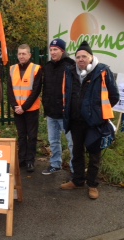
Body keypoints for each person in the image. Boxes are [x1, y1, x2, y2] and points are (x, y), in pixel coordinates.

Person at [61, 41, 119, 199]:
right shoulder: (70, 71)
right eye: (78, 56)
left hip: (95, 123)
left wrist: (99, 113)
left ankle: (92, 185)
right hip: (75, 121)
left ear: (91, 57)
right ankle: (78, 181)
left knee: (94, 154)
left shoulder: (102, 71)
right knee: (77, 152)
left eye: (84, 56)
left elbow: (114, 96)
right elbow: (67, 94)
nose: (80, 59)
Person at [42, 39, 75, 175]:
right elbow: (45, 87)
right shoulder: (48, 66)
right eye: (51, 50)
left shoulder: (71, 65)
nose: (52, 52)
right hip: (51, 112)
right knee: (53, 141)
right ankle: (56, 164)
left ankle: (75, 168)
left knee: (72, 143)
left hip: (66, 113)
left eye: (55, 49)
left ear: (62, 50)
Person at [7, 44, 42, 172]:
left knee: (31, 136)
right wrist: (15, 106)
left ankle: (30, 161)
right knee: (21, 135)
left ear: (29, 55)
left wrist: (24, 107)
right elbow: (10, 90)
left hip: (31, 109)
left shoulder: (36, 69)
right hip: (17, 109)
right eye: (19, 54)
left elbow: (36, 90)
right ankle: (21, 159)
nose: (21, 56)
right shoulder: (12, 69)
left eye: (24, 54)